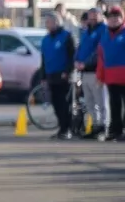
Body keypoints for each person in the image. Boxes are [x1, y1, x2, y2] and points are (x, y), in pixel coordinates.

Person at [41, 11, 77, 140]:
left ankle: (67, 129)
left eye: (49, 22)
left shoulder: (67, 36)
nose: (47, 24)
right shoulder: (45, 39)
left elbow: (72, 56)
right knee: (56, 104)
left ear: (57, 22)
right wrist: (43, 77)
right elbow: (43, 59)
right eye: (46, 22)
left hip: (63, 76)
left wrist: (68, 72)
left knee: (64, 103)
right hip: (51, 75)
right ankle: (61, 128)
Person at [77, 8, 108, 139]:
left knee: (100, 101)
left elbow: (99, 51)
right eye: (91, 16)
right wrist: (76, 60)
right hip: (84, 72)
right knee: (89, 102)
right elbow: (80, 48)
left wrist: (87, 63)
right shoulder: (86, 31)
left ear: (101, 16)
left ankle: (103, 127)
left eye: (95, 16)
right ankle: (95, 126)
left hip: (96, 71)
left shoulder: (104, 30)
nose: (93, 19)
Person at [98, 6, 125, 141]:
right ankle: (116, 131)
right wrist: (100, 75)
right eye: (111, 18)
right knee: (114, 105)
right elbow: (101, 57)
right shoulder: (105, 35)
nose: (114, 20)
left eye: (117, 17)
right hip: (111, 76)